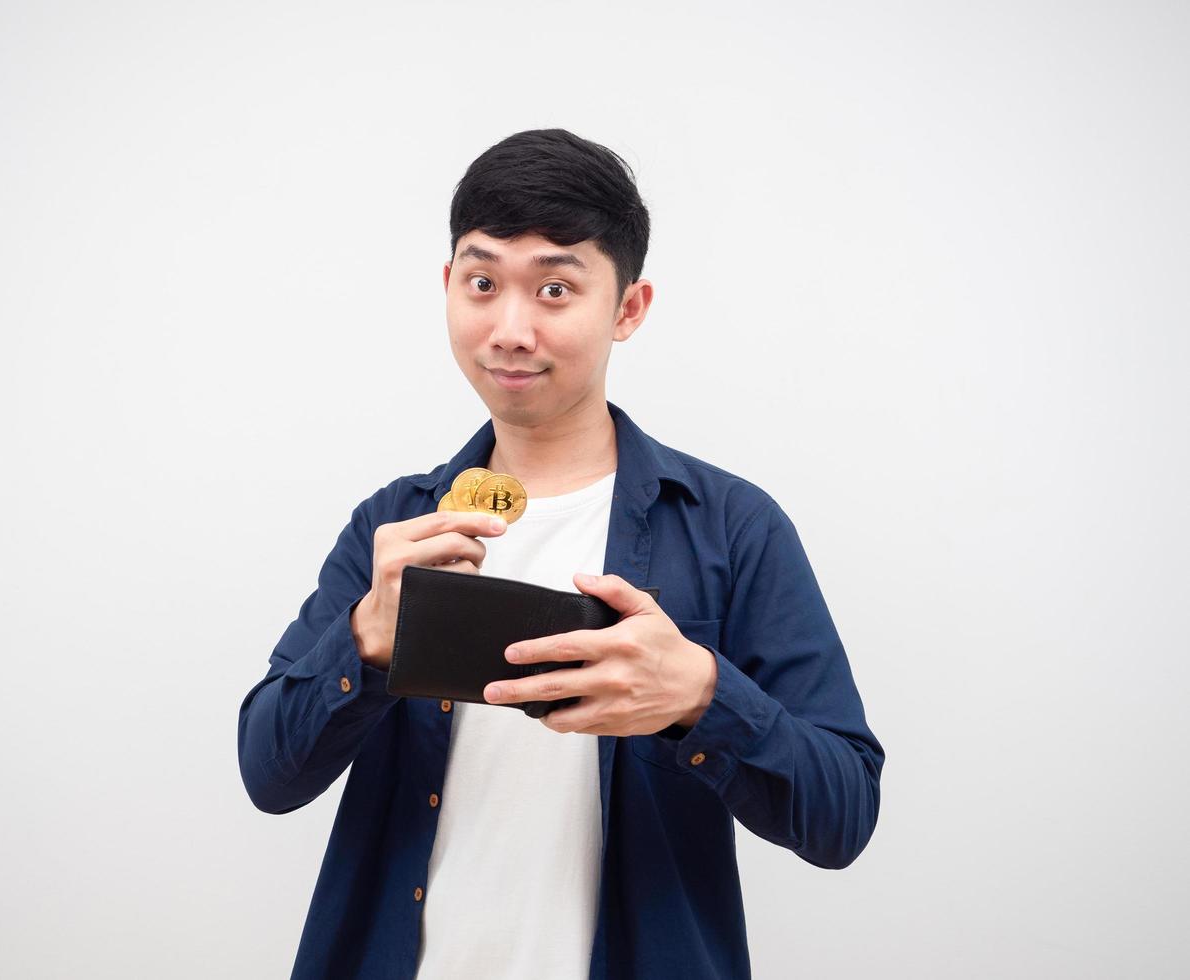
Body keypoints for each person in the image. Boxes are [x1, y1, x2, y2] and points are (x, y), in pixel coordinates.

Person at [237, 128, 885, 980]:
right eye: (482, 283)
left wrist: (699, 694)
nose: (509, 329)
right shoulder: (393, 526)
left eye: (553, 288)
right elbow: (269, 773)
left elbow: (843, 814)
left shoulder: (732, 526)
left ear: (628, 309)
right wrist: (363, 638)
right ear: (446, 288)